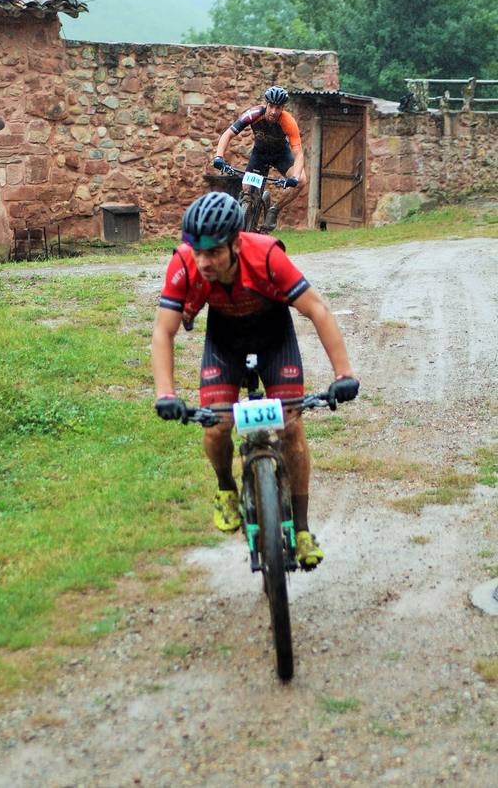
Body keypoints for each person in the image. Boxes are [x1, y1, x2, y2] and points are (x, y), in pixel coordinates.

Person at [152, 191, 359, 569]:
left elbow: (317, 309)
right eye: (198, 252)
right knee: (217, 427)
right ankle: (226, 489)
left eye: (214, 252)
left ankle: (301, 530)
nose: (204, 262)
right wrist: (165, 394)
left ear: (236, 244)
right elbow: (163, 331)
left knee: (291, 427)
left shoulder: (265, 256)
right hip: (224, 342)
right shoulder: (184, 263)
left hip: (274, 337)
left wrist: (343, 374)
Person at [213, 85, 306, 231]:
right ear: (266, 104)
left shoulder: (288, 122)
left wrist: (294, 177)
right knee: (247, 190)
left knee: (301, 181)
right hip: (260, 155)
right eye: (271, 106)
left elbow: (298, 153)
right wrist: (219, 157)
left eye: (278, 108)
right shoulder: (254, 114)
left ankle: (274, 210)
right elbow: (228, 134)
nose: (274, 111)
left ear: (283, 108)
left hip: (281, 155)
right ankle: (246, 219)